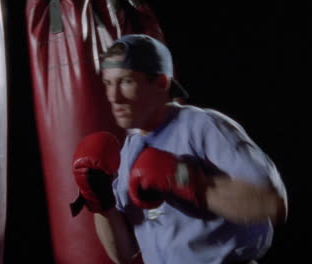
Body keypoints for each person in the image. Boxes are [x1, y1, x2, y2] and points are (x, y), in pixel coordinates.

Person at [71, 34, 288, 264]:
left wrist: (183, 179)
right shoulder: (129, 149)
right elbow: (123, 253)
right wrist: (101, 202)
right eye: (108, 83)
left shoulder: (202, 126)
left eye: (126, 81)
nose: (114, 97)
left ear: (162, 82)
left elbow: (272, 203)